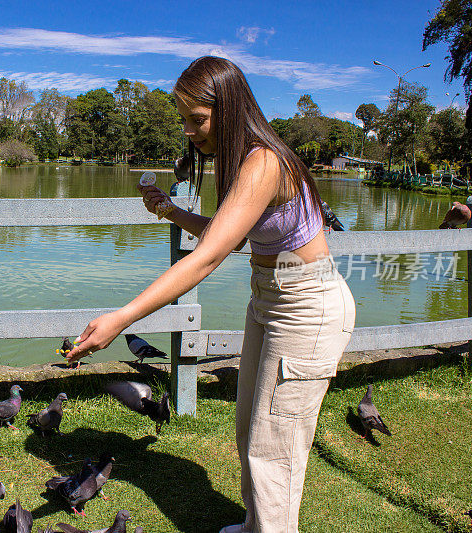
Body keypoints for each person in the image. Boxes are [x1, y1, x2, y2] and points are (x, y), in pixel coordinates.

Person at [66, 56, 355, 533]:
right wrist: (171, 211)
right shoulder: (242, 161)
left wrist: (124, 317)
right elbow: (232, 236)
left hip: (308, 305)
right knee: (250, 428)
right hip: (270, 299)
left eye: (196, 119)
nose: (188, 131)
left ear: (230, 109)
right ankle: (256, 523)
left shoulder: (263, 161)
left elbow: (208, 257)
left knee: (274, 443)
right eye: (184, 120)